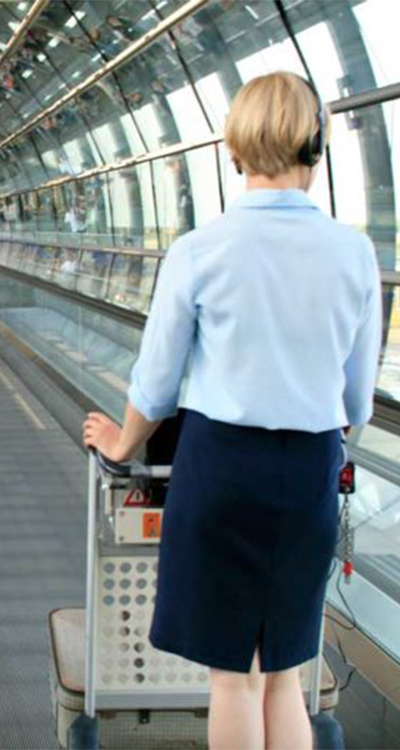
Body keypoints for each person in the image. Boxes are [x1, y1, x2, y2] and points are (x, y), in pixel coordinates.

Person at [83, 72, 381, 750]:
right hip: (308, 472)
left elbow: (156, 387)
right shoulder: (354, 255)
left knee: (234, 678)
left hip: (220, 469)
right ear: (317, 147)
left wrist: (121, 443)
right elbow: (354, 400)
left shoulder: (198, 251)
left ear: (234, 151)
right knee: (285, 673)